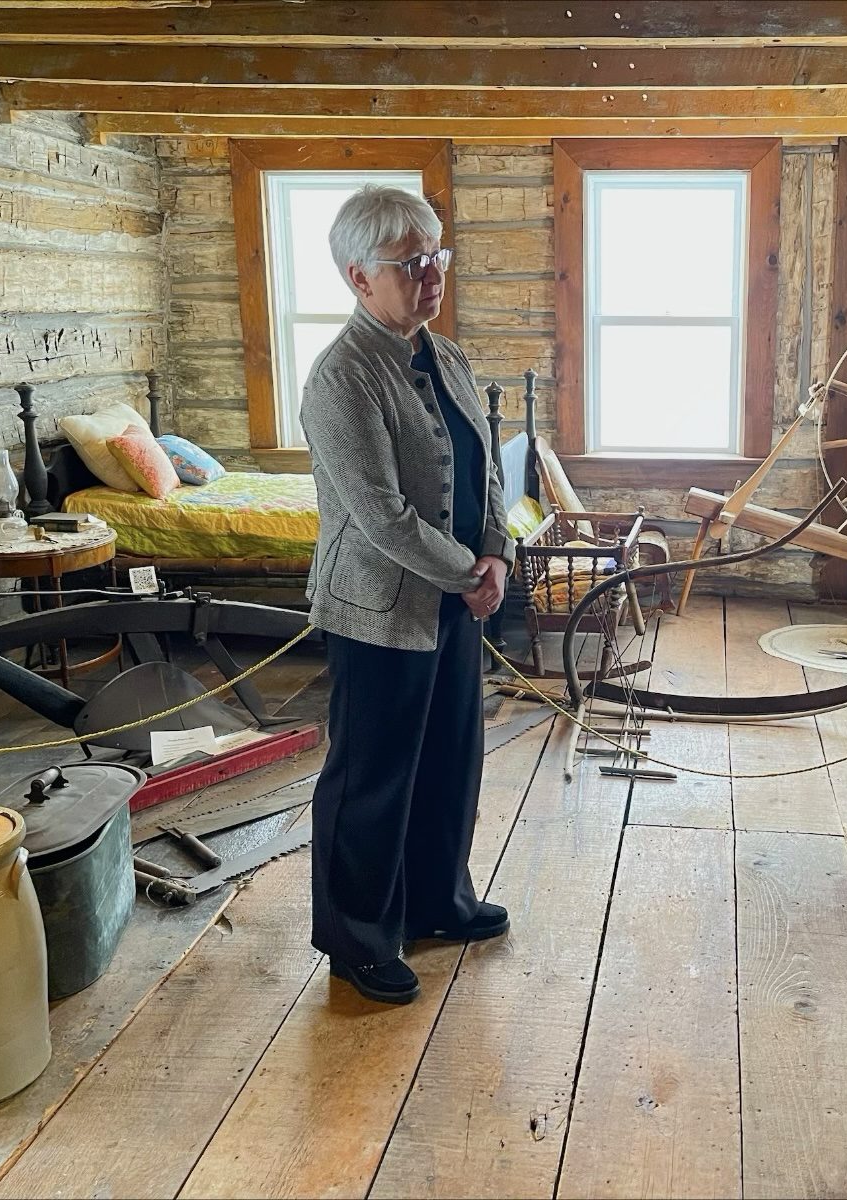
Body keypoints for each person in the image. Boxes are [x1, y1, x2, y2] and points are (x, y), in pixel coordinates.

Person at [300, 185, 516, 1006]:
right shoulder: (341, 377)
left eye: (436, 257)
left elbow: (488, 468)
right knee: (373, 777)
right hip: (379, 610)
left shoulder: (445, 355)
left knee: (450, 758)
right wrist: (471, 574)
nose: (432, 276)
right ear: (358, 277)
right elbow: (382, 517)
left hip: (456, 600)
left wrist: (496, 553)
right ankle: (357, 940)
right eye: (409, 264)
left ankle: (436, 903)